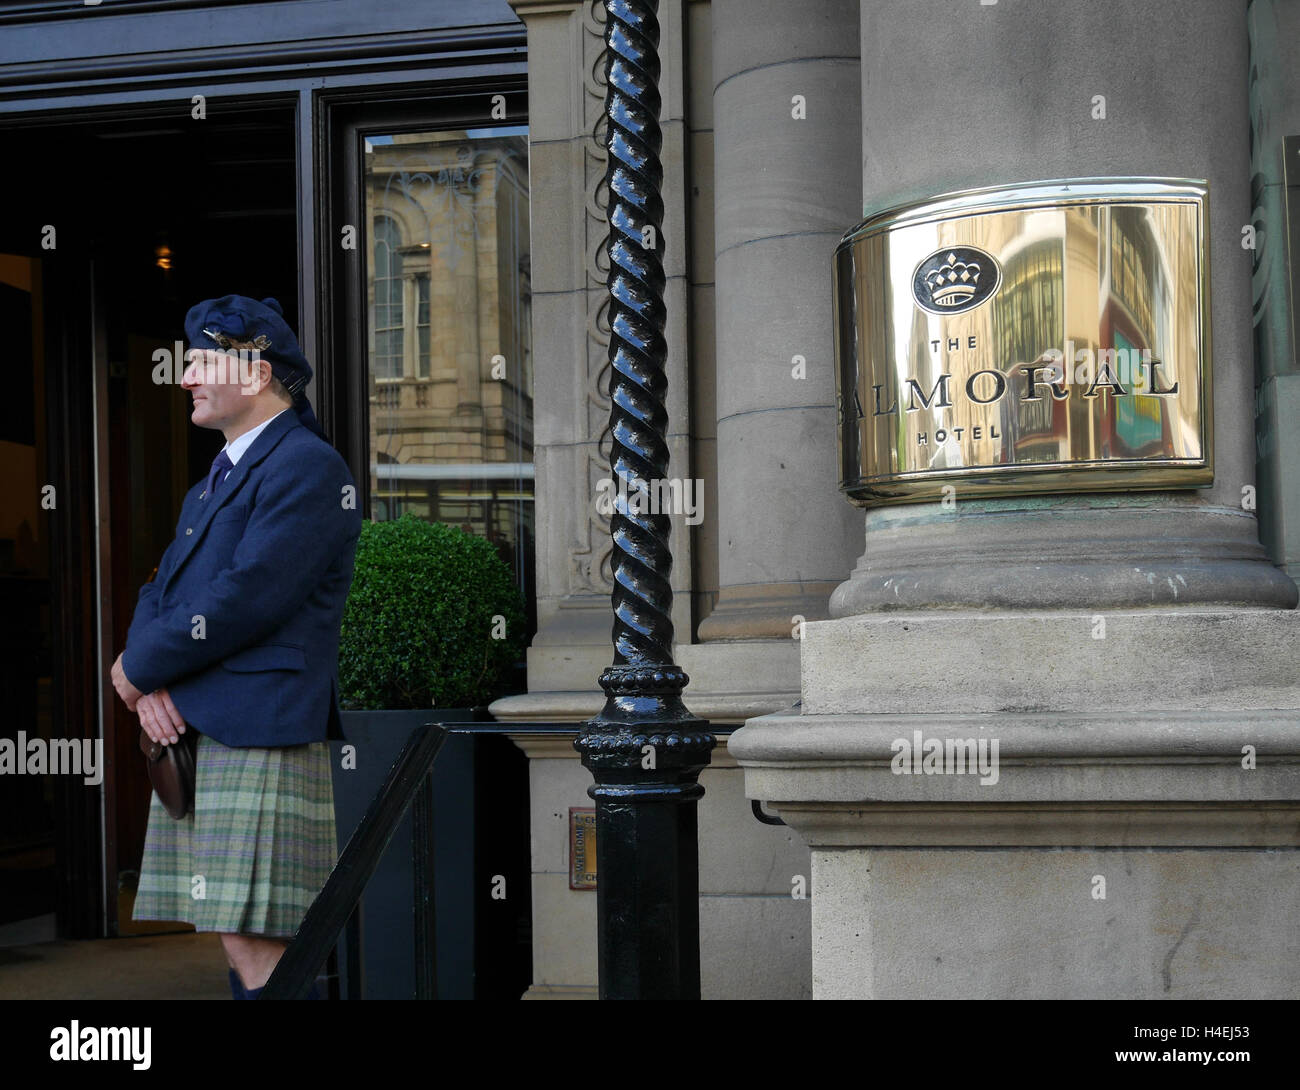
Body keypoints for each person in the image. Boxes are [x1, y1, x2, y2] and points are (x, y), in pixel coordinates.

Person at [110, 294, 361, 1000]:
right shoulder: (214, 482)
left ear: (254, 373)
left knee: (260, 941)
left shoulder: (307, 469)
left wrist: (139, 670)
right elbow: (164, 591)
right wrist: (147, 683)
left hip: (260, 724)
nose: (186, 377)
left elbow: (249, 596)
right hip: (211, 718)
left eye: (201, 362)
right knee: (237, 933)